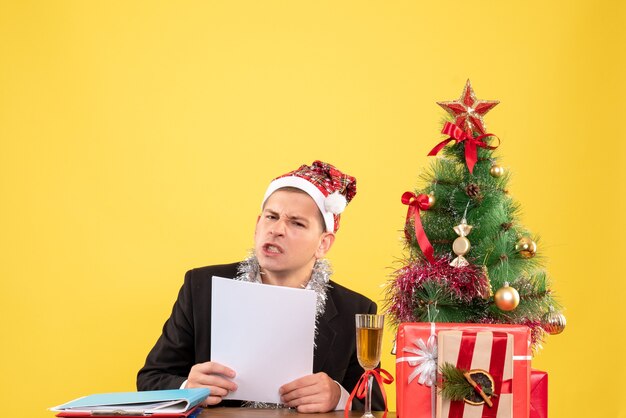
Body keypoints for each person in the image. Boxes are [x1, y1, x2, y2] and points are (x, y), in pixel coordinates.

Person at [137, 160, 384, 413]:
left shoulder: (355, 309)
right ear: (257, 225)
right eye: (271, 217)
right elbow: (150, 379)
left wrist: (339, 396)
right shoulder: (201, 287)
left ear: (323, 244)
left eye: (296, 223)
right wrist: (188, 386)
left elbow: (375, 406)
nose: (277, 230)